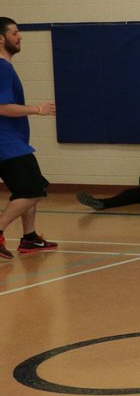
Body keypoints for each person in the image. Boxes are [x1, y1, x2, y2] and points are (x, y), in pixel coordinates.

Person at [0, 17, 59, 258]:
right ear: (1, 38)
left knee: (31, 186)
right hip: (6, 143)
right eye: (14, 33)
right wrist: (37, 109)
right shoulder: (2, 67)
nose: (20, 36)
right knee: (33, 188)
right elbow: (2, 106)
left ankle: (29, 238)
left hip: (13, 142)